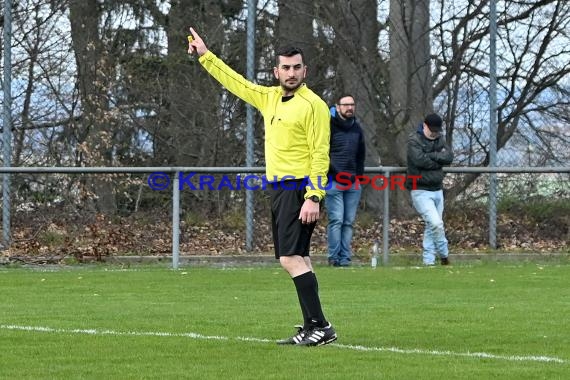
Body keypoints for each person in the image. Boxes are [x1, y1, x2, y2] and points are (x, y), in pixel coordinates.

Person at [188, 28, 337, 346]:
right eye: (286, 67)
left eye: (297, 67)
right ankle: (313, 325)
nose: (292, 72)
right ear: (277, 71)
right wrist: (206, 56)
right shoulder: (269, 97)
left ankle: (321, 327)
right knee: (300, 259)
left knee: (290, 259)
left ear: (305, 70)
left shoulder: (314, 106)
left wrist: (313, 196)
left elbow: (320, 154)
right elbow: (236, 83)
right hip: (279, 190)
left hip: (299, 190)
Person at [405, 113, 454, 266]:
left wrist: (431, 156)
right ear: (424, 126)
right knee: (436, 223)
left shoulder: (440, 138)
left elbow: (449, 157)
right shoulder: (414, 140)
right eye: (431, 129)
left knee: (431, 226)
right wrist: (437, 159)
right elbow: (419, 160)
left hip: (437, 188)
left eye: (436, 130)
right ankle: (444, 255)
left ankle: (428, 261)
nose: (434, 133)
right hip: (420, 189)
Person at [325, 94, 366, 267]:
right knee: (337, 220)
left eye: (352, 104)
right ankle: (333, 258)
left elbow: (361, 155)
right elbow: (323, 153)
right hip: (333, 181)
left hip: (353, 182)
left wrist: (358, 177)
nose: (349, 107)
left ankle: (345, 258)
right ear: (338, 106)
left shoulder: (357, 128)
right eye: (345, 104)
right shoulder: (328, 126)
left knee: (348, 222)